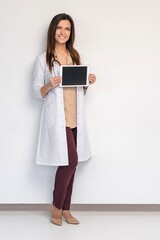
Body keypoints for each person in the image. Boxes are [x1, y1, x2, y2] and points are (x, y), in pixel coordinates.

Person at [32, 13, 96, 226]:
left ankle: (66, 209)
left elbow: (79, 89)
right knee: (71, 161)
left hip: (75, 117)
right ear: (53, 31)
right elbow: (35, 92)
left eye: (67, 29)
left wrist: (87, 82)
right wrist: (49, 85)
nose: (63, 32)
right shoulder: (43, 59)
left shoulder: (75, 56)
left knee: (73, 164)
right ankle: (56, 207)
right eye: (59, 28)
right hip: (57, 119)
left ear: (71, 33)